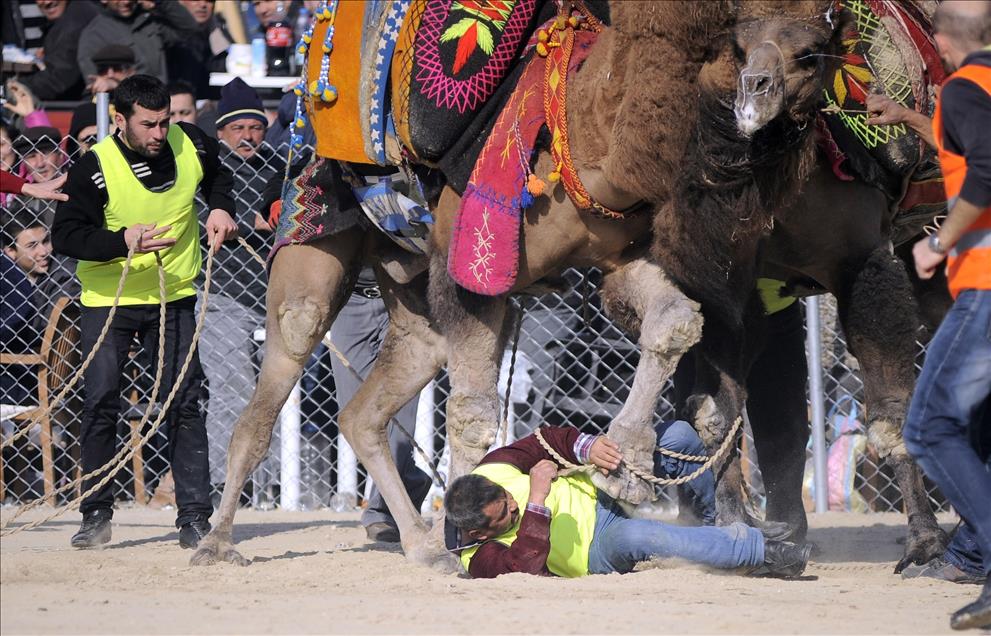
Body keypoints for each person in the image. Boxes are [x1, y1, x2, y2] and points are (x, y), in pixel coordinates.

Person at [51, 74, 238, 550]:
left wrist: (219, 208)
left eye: (165, 121)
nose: (160, 133)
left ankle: (194, 518)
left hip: (174, 296)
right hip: (109, 301)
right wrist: (122, 241)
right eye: (149, 124)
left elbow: (221, 174)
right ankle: (95, 514)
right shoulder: (94, 166)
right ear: (120, 120)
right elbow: (66, 236)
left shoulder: (190, 140)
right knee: (100, 401)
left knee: (185, 400)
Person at [868, 1, 991, 630]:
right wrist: (910, 114)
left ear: (941, 42)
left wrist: (938, 242)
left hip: (984, 285)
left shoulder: (966, 88)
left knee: (930, 427)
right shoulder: (978, 89)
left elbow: (987, 171)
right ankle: (973, 555)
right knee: (976, 424)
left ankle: (985, 558)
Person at [445, 422, 811, 579]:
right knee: (641, 537)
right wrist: (537, 497)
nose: (515, 506)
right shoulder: (477, 559)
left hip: (601, 488)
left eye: (512, 498)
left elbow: (546, 440)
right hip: (597, 549)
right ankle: (763, 552)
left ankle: (713, 524)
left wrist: (588, 447)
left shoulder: (490, 471)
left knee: (678, 437)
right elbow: (523, 570)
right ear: (478, 531)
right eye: (507, 515)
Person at [199, 78, 281, 489]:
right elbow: (200, 221)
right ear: (220, 132)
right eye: (238, 129)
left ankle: (269, 486)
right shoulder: (206, 170)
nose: (248, 137)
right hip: (221, 298)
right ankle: (221, 484)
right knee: (233, 391)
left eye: (255, 128)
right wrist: (254, 220)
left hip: (274, 299)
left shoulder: (278, 168)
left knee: (274, 394)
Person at [76, 0, 199, 86]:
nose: (126, 2)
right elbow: (94, 83)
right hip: (125, 109)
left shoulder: (150, 21)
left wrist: (161, 3)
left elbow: (190, 29)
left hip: (161, 103)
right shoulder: (94, 34)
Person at [17, 0, 100, 101]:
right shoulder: (73, 14)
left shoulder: (74, 22)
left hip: (86, 104)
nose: (47, 2)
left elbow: (58, 78)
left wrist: (14, 86)